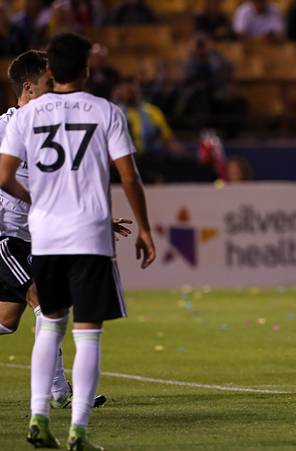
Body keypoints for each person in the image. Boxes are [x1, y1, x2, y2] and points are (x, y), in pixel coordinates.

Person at [0, 32, 156, 449]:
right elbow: (125, 175)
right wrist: (140, 227)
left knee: (20, 320)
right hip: (35, 233)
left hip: (43, 233)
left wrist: (45, 204)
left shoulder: (31, 119)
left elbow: (25, 179)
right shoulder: (100, 111)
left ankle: (45, 411)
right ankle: (69, 411)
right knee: (73, 324)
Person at [0, 49, 115, 410]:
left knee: (7, 319)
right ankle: (60, 392)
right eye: (51, 84)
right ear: (30, 88)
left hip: (32, 236)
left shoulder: (51, 131)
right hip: (5, 234)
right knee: (47, 302)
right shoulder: (5, 127)